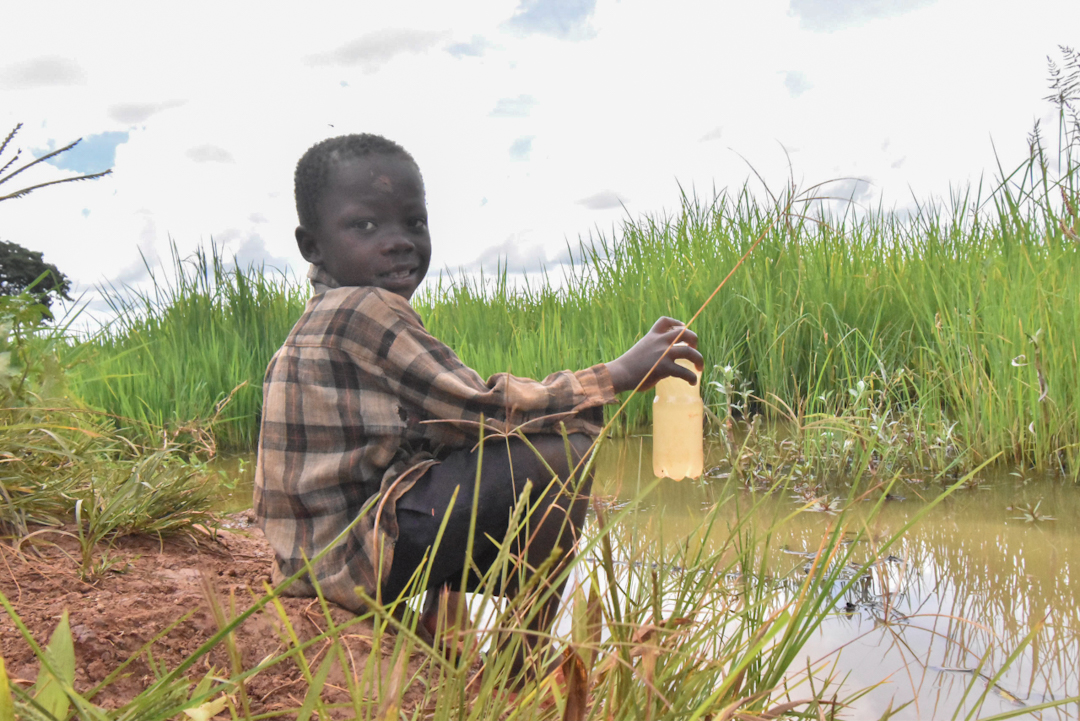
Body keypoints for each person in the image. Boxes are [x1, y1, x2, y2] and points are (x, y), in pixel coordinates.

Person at [254, 133, 703, 679]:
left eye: (414, 223)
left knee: (450, 454)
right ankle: (519, 666)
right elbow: (488, 411)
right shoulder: (363, 311)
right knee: (561, 454)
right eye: (365, 226)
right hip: (347, 565)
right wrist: (617, 375)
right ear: (313, 246)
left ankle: (441, 625)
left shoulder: (320, 318)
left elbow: (446, 430)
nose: (399, 243)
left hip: (310, 562)